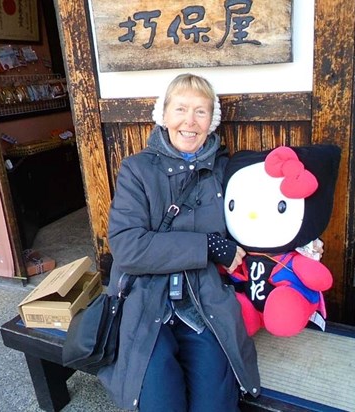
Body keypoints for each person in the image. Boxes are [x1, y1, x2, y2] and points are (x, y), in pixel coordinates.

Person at [97, 73, 261, 411]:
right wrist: (208, 247)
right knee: (159, 401)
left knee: (216, 403)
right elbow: (128, 248)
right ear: (164, 115)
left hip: (204, 300)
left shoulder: (224, 172)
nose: (190, 121)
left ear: (211, 121)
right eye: (181, 109)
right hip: (146, 298)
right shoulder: (137, 170)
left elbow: (258, 223)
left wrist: (300, 249)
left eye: (201, 112)